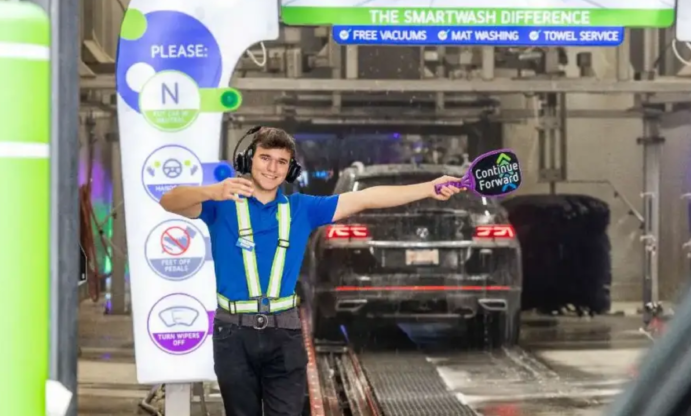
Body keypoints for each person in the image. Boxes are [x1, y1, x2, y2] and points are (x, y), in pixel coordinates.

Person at [159, 127, 463, 416]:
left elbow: (367, 197)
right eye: (265, 158)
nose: (272, 168)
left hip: (284, 333)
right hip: (232, 335)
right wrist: (214, 190)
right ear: (248, 160)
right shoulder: (220, 206)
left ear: (290, 170)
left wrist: (429, 188)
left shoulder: (302, 208)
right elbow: (168, 201)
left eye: (281, 162)